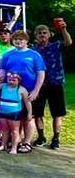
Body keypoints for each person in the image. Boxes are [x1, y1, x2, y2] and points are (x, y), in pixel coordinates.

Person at [0, 29, 45, 153]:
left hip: (29, 90)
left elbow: (41, 73)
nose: (18, 41)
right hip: (12, 90)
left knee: (29, 117)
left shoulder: (34, 55)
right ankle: (16, 140)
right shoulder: (8, 54)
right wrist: (0, 77)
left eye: (21, 39)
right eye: (16, 39)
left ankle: (27, 142)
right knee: (16, 117)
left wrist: (36, 90)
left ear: (26, 41)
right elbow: (2, 69)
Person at [31, 19, 70, 150]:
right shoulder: (33, 51)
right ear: (36, 35)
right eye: (39, 33)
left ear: (49, 34)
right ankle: (41, 137)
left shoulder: (56, 45)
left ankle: (56, 138)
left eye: (44, 33)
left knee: (57, 113)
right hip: (39, 85)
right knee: (38, 113)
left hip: (56, 83)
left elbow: (69, 42)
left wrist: (63, 29)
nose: (42, 35)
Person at [0, 72, 28, 154]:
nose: (11, 82)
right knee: (5, 129)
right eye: (9, 80)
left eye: (14, 80)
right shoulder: (3, 86)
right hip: (3, 111)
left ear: (19, 81)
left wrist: (30, 113)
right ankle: (3, 145)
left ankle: (14, 148)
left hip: (14, 113)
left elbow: (27, 102)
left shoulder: (21, 89)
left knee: (14, 131)